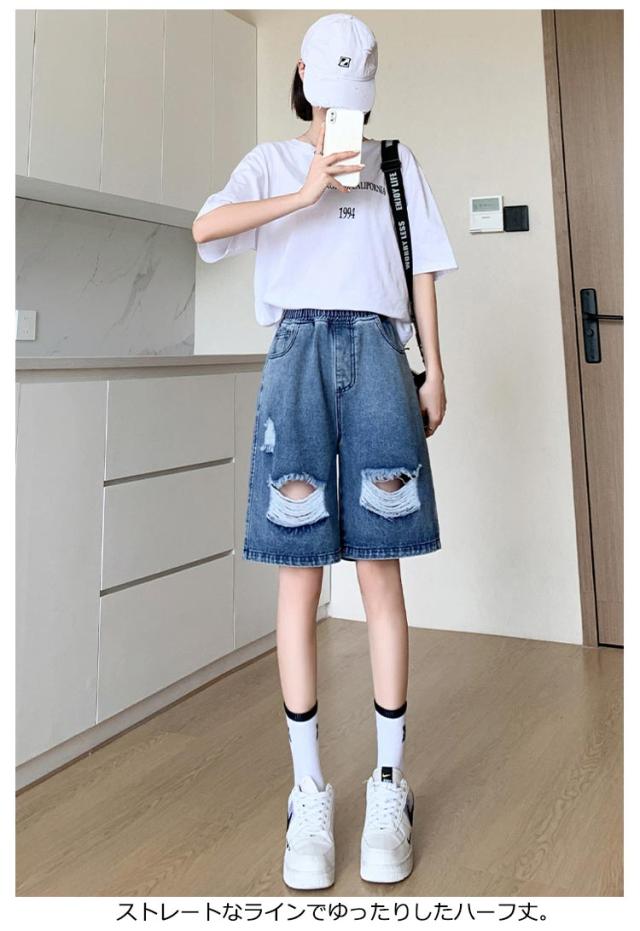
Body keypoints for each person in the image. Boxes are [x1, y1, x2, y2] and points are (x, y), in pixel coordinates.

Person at [192, 12, 458, 891]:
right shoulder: (271, 162)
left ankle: (388, 784)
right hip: (296, 354)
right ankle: (308, 790)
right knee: (298, 573)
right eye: (331, 94)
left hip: (381, 358)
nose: (343, 113)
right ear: (305, 77)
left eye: (356, 99)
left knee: (380, 567)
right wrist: (306, 191)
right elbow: (206, 230)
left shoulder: (396, 165)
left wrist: (435, 368)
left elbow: (421, 271)